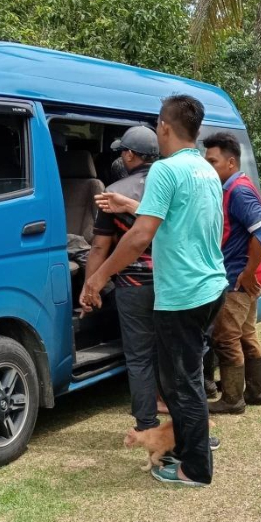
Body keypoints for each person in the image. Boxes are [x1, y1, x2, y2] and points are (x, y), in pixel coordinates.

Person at [81, 94, 227, 487]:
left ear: (164, 126)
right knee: (184, 379)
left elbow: (141, 235)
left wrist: (97, 278)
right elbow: (173, 215)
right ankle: (185, 448)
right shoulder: (204, 170)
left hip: (182, 293)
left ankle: (194, 468)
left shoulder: (165, 170)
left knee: (183, 386)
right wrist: (129, 202)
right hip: (211, 287)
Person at [83, 126, 162, 432]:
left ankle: (146, 423)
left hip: (134, 285)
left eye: (122, 151)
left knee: (139, 357)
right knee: (171, 353)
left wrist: (91, 286)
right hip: (172, 283)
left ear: (129, 154)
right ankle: (181, 420)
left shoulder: (114, 193)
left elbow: (101, 245)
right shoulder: (171, 185)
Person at [202, 133, 261, 414]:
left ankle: (232, 399)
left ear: (230, 162)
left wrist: (246, 272)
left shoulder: (239, 191)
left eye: (212, 161)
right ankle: (257, 392)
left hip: (238, 278)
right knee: (246, 333)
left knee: (226, 337)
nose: (207, 166)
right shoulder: (234, 187)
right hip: (246, 275)